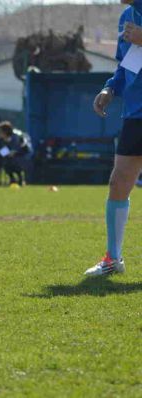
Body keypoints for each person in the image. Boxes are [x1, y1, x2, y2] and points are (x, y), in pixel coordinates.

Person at [85, 0, 142, 276]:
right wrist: (110, 89)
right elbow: (126, 65)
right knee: (119, 182)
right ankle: (113, 259)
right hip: (135, 114)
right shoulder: (127, 16)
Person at [0, 121, 30, 186]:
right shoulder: (2, 140)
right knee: (5, 163)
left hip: (21, 156)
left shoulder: (15, 137)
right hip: (10, 158)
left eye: (1, 131)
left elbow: (17, 149)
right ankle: (12, 179)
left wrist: (12, 152)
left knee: (14, 162)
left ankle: (21, 179)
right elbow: (2, 151)